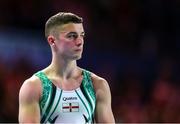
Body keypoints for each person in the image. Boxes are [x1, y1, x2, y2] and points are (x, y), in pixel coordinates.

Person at [18, 12, 115, 123]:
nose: (79, 42)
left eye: (81, 35)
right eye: (72, 36)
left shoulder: (97, 85)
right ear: (52, 41)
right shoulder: (34, 87)